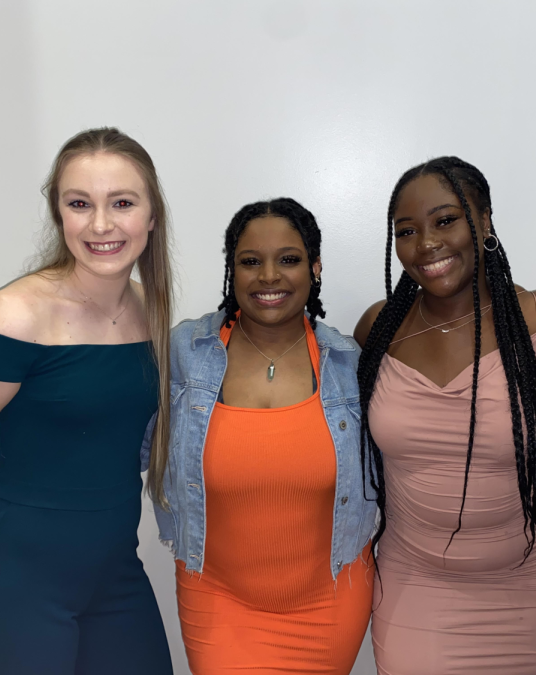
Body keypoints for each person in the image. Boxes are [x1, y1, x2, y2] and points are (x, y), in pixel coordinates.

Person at [0, 127, 174, 675]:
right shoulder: (18, 313)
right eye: (80, 204)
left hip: (115, 578)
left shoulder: (149, 309)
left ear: (151, 216)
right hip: (10, 585)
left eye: (122, 203)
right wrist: (24, 517)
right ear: (60, 216)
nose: (101, 224)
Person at [355, 156, 536, 674]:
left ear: (486, 220)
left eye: (446, 220)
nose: (427, 242)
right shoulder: (377, 328)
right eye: (406, 230)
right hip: (416, 589)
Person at [145, 197, 376, 674]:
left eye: (288, 259)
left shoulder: (350, 364)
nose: (268, 276)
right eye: (250, 262)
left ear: (314, 268)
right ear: (232, 272)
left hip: (330, 601)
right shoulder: (184, 355)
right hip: (217, 599)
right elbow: (116, 431)